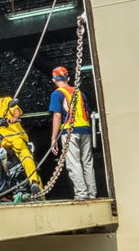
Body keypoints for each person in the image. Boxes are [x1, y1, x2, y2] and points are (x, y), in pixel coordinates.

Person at [0, 83, 42, 193]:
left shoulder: (6, 101)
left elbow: (16, 110)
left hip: (14, 135)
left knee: (24, 153)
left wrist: (14, 117)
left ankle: (33, 181)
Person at [48, 66, 96, 200]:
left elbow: (57, 116)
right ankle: (92, 194)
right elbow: (86, 111)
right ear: (68, 78)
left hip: (70, 131)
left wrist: (53, 139)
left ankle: (81, 194)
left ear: (53, 80)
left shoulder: (57, 94)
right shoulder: (79, 92)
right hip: (85, 129)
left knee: (74, 163)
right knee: (87, 162)